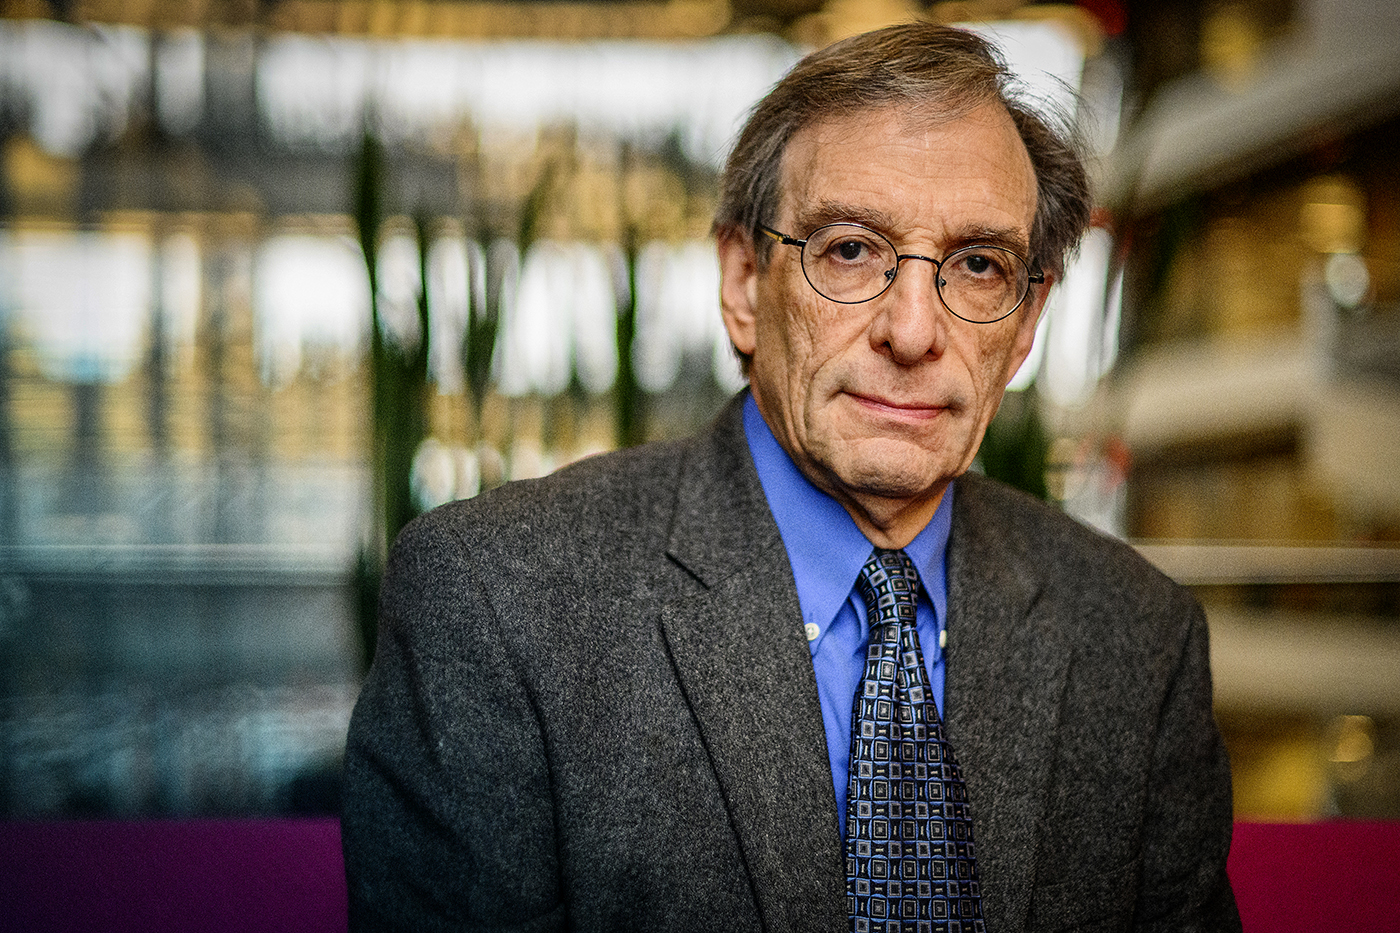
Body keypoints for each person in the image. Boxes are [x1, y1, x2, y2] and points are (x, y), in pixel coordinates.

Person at [342, 22, 1240, 933]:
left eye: (978, 265)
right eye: (850, 249)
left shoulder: (1138, 637)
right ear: (742, 282)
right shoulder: (502, 601)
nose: (914, 331)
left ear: (1027, 322)